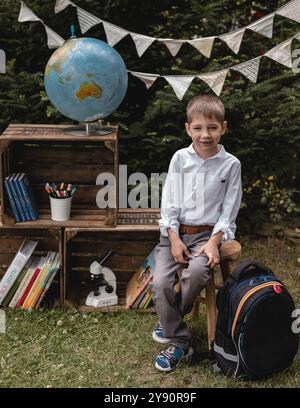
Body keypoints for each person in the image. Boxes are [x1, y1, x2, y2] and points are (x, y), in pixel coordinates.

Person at [151, 94, 242, 372]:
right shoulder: (180, 159)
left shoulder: (231, 165)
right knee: (160, 281)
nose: (205, 134)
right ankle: (182, 340)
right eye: (199, 128)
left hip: (207, 236)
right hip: (174, 234)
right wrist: (175, 239)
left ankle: (171, 324)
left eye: (212, 127)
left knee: (197, 273)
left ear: (223, 128)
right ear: (188, 128)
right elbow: (169, 202)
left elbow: (229, 210)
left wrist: (215, 243)